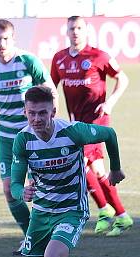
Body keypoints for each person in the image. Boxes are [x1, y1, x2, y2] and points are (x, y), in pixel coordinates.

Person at [10, 86, 125, 257]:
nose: (37, 119)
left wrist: (115, 168)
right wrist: (22, 193)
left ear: (54, 111)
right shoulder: (23, 140)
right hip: (41, 211)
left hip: (71, 208)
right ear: (25, 112)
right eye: (31, 114)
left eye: (42, 113)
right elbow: (16, 183)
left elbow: (109, 133)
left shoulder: (73, 132)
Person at [0, 19, 58, 254]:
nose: (2, 43)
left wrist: (50, 121)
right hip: (7, 139)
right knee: (10, 189)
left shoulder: (28, 61)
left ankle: (52, 233)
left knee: (41, 187)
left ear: (13, 39)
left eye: (6, 39)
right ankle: (30, 237)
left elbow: (51, 92)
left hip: (34, 136)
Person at [50, 15, 132, 237]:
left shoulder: (98, 56)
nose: (75, 32)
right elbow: (51, 87)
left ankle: (105, 210)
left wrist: (110, 103)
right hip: (77, 123)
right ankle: (121, 215)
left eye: (79, 28)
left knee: (78, 161)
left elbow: (123, 79)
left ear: (86, 31)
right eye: (71, 28)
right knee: (97, 171)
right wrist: (51, 107)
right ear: (66, 32)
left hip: (97, 121)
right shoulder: (59, 59)